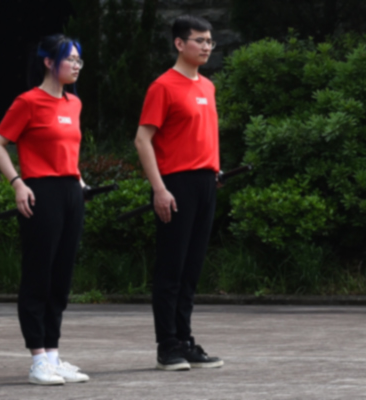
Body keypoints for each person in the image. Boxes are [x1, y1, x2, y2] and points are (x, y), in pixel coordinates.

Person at [0, 34, 91, 386]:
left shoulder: (74, 103)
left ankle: (54, 356)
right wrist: (18, 183)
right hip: (40, 192)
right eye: (69, 59)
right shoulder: (28, 101)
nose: (76, 65)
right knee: (38, 276)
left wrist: (79, 180)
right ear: (48, 62)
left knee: (61, 278)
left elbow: (67, 150)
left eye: (78, 60)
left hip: (71, 192)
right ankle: (38, 360)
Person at [133, 14, 225, 371]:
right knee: (171, 268)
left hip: (206, 182)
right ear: (179, 43)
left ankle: (185, 341)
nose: (206, 47)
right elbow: (143, 140)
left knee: (191, 269)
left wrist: (214, 168)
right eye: (199, 40)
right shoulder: (163, 86)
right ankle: (167, 345)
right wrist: (159, 189)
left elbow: (202, 136)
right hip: (175, 185)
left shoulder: (208, 86)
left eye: (209, 41)